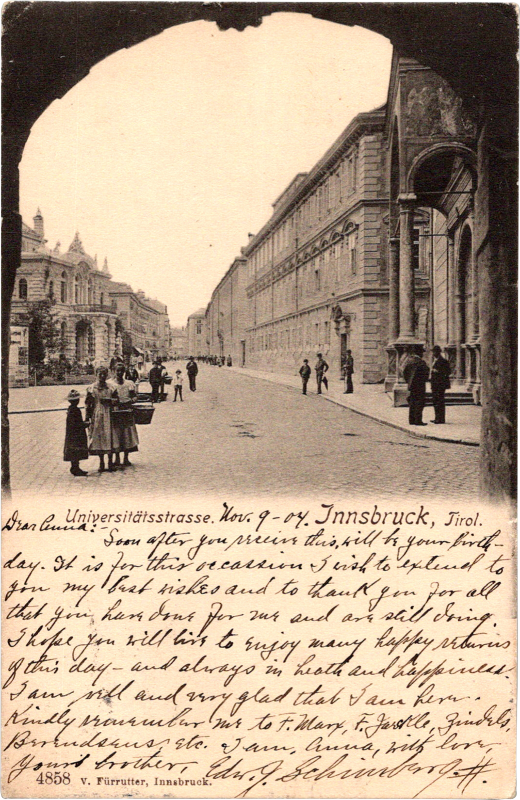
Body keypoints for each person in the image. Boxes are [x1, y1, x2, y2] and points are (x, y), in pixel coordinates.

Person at [85, 366, 117, 472]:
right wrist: (87, 418)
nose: (102, 376)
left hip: (110, 414)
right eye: (100, 374)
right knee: (99, 437)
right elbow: (88, 404)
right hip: (97, 414)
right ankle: (101, 462)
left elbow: (117, 400)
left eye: (104, 374)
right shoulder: (91, 388)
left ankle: (110, 462)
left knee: (110, 436)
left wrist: (110, 401)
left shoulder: (111, 388)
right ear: (96, 375)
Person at [109, 362, 139, 468]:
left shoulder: (129, 383)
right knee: (116, 434)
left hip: (127, 410)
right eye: (118, 370)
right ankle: (117, 458)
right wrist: (113, 401)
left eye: (122, 371)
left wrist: (132, 400)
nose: (119, 373)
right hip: (116, 411)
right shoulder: (110, 384)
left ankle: (126, 458)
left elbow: (135, 397)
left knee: (127, 434)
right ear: (114, 371)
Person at [63, 389, 89, 476]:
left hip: (72, 433)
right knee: (76, 450)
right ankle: (75, 468)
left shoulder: (70, 409)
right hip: (76, 434)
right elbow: (77, 423)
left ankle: (75, 467)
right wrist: (86, 424)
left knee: (74, 450)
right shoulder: (76, 410)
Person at [402, 347, 430, 426]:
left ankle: (411, 420)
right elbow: (426, 373)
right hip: (420, 385)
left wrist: (408, 381)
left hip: (412, 385)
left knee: (412, 402)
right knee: (420, 402)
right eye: (422, 353)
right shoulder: (421, 362)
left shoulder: (409, 361)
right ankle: (418, 420)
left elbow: (404, 372)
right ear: (420, 353)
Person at [430, 345, 451, 424]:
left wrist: (438, 371)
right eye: (433, 352)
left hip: (440, 384)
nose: (433, 353)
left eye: (434, 352)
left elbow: (448, 372)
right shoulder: (435, 360)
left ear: (438, 352)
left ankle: (441, 419)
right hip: (435, 384)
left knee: (439, 401)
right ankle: (437, 418)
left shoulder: (443, 361)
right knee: (435, 401)